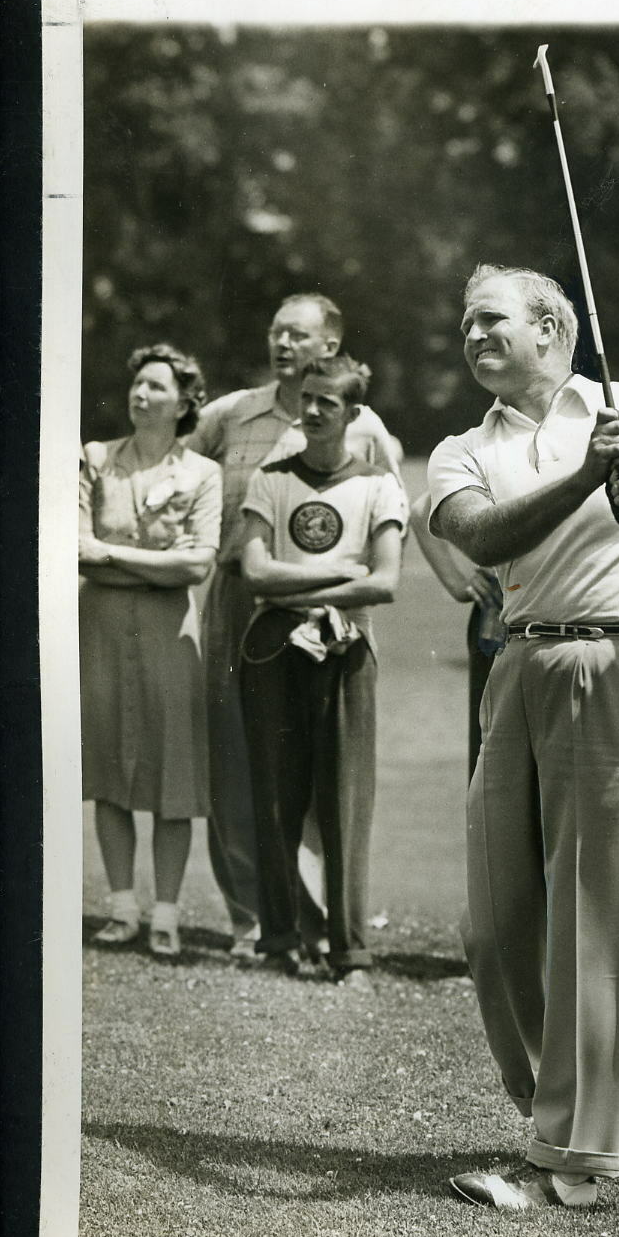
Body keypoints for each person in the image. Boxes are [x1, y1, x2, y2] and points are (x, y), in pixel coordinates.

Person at [427, 263, 619, 1211]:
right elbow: (483, 539)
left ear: (553, 328)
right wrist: (585, 477)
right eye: (467, 325)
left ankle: (577, 1156)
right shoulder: (456, 449)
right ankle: (557, 1105)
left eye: (492, 321)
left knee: (597, 926)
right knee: (495, 922)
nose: (475, 336)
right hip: (522, 665)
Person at [186, 292, 405, 959]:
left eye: (299, 334)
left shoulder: (364, 431)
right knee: (239, 758)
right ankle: (254, 916)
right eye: (276, 331)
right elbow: (185, 472)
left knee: (324, 767)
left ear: (328, 347)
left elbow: (386, 523)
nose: (282, 343)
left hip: (336, 611)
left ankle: (323, 913)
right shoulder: (230, 414)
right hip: (238, 600)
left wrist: (345, 585)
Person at [237, 354, 406, 984]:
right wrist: (340, 573)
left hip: (346, 647)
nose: (309, 411)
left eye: (325, 403)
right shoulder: (272, 479)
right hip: (276, 646)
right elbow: (254, 571)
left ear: (353, 413)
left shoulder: (377, 486)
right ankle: (278, 939)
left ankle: (349, 952)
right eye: (305, 398)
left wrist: (302, 590)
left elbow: (386, 583)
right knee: (277, 793)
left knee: (344, 802)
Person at [79, 344, 222, 957]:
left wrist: (112, 557)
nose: (141, 395)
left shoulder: (202, 474)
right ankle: (121, 909)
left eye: (156, 387)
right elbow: (74, 546)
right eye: (137, 384)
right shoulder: (95, 458)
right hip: (102, 630)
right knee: (109, 767)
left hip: (171, 635)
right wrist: (150, 565)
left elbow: (196, 564)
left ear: (186, 401)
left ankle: (165, 912)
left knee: (172, 772)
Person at [409, 489, 505, 776]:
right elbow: (422, 510)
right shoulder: (491, 447)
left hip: (560, 616)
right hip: (499, 614)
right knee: (493, 753)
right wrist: (458, 583)